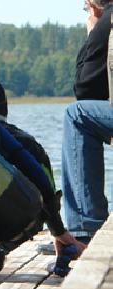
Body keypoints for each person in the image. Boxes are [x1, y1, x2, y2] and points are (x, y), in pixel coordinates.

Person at [0, 80, 87, 257]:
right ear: (5, 106)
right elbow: (47, 187)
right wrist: (58, 230)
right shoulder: (27, 143)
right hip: (18, 235)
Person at [61, 0, 113, 244]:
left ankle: (84, 229)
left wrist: (93, 34)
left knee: (77, 115)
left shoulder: (108, 22)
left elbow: (85, 88)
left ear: (92, 6)